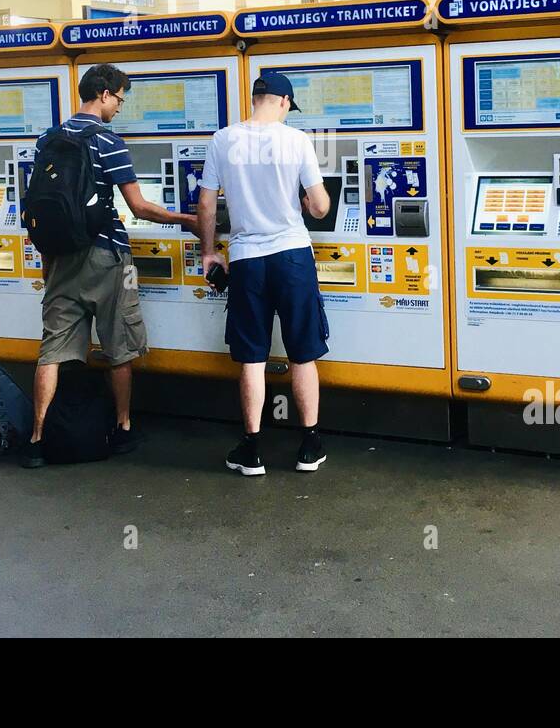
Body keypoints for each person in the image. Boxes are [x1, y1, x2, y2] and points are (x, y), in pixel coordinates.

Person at [22, 64, 197, 468]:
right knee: (119, 345)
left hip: (61, 256)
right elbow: (139, 207)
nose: (120, 106)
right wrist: (186, 220)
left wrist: (49, 264)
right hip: (107, 255)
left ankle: (37, 438)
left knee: (53, 350)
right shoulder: (108, 141)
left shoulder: (47, 139)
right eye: (119, 98)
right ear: (103, 94)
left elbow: (40, 204)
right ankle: (122, 428)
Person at [198, 72, 330, 477]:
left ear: (255, 98)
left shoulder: (222, 140)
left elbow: (206, 205)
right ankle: (308, 445)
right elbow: (321, 206)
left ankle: (251, 449)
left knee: (252, 357)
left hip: (247, 259)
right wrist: (309, 204)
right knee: (302, 352)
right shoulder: (296, 140)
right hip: (292, 256)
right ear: (285, 102)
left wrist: (208, 252)